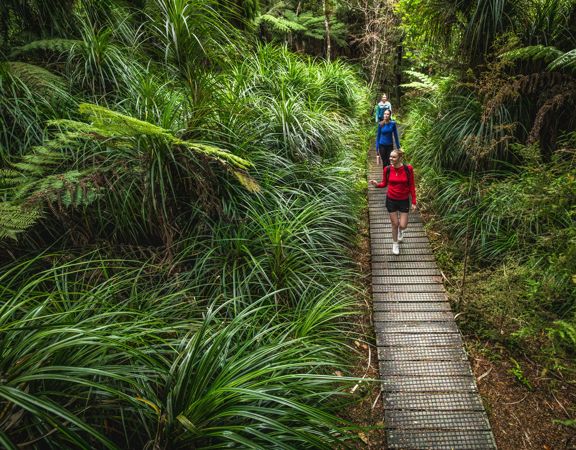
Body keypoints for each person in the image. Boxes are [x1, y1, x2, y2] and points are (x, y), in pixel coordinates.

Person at [369, 149, 417, 255]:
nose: (391, 158)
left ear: (400, 158)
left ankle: (401, 230)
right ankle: (395, 244)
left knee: (403, 225)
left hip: (404, 200)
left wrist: (413, 201)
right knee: (395, 223)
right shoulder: (387, 169)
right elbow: (384, 183)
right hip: (391, 199)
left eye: (394, 157)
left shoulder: (408, 169)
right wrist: (377, 184)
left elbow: (412, 186)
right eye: (390, 156)